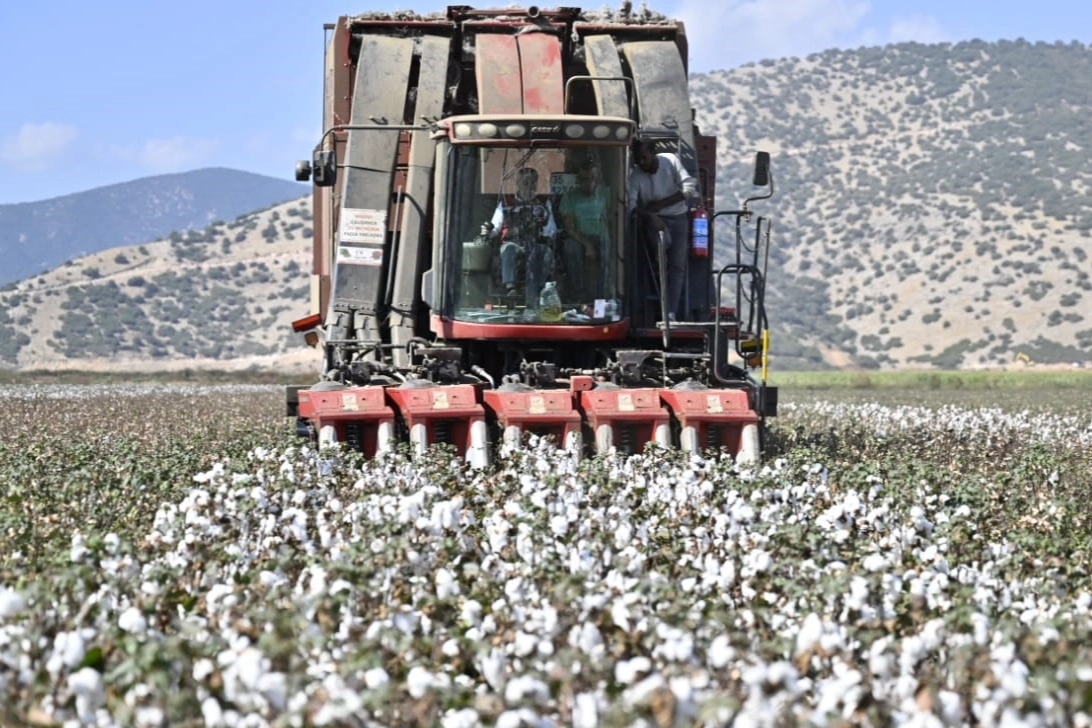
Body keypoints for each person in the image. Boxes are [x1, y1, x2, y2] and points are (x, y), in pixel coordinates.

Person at [627, 138, 697, 320]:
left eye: (644, 158)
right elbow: (631, 206)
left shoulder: (670, 161)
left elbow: (689, 187)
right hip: (655, 222)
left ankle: (670, 312)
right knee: (663, 245)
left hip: (679, 218)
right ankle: (659, 263)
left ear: (653, 153)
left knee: (677, 267)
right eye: (638, 159)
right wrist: (651, 216)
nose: (642, 163)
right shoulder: (635, 177)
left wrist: (660, 204)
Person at [490, 167, 557, 304]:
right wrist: (487, 232)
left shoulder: (544, 203)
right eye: (526, 182)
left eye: (533, 182)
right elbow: (495, 227)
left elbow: (551, 229)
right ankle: (511, 288)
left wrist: (546, 236)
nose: (529, 186)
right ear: (518, 184)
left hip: (536, 242)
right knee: (509, 250)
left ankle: (535, 294)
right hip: (513, 242)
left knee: (543, 252)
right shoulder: (506, 202)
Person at [558, 159, 610, 299]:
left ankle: (603, 295)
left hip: (603, 237)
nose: (587, 183)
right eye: (583, 179)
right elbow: (569, 227)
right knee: (570, 247)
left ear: (598, 179)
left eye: (591, 179)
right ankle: (579, 295)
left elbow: (615, 219)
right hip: (580, 238)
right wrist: (587, 245)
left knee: (609, 245)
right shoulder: (569, 198)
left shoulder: (607, 194)